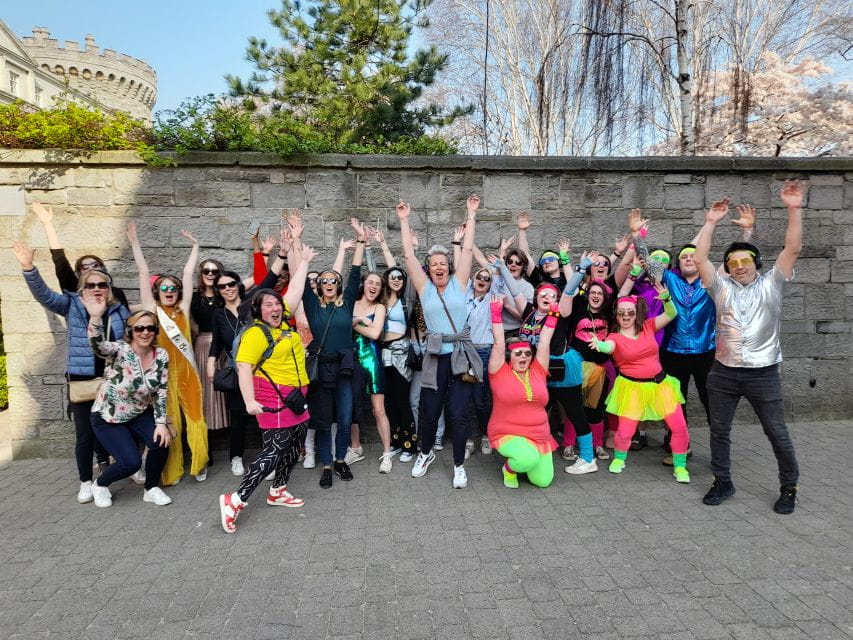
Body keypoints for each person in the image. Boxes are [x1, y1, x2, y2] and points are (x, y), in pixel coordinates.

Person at [693, 182, 804, 514]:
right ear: (727, 268)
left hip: (763, 374)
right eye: (733, 262)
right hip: (723, 373)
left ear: (756, 263)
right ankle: (722, 481)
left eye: (745, 260)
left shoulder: (773, 283)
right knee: (719, 431)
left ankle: (789, 487)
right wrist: (710, 222)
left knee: (776, 432)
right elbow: (700, 258)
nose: (739, 265)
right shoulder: (720, 287)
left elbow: (793, 249)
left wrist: (794, 209)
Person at [13, 241, 130, 504]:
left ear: (109, 287)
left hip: (113, 378)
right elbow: (44, 296)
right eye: (91, 285)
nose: (97, 289)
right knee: (85, 434)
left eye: (102, 284)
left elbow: (129, 338)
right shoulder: (72, 305)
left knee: (117, 426)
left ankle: (120, 470)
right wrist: (29, 268)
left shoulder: (118, 308)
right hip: (82, 378)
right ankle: (85, 481)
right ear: (82, 288)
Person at [218, 243, 316, 534]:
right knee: (273, 451)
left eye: (277, 304)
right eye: (268, 305)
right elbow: (243, 368)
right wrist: (249, 401)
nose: (275, 307)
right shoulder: (256, 333)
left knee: (294, 445)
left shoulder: (281, 324)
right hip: (272, 397)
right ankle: (235, 500)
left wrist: (304, 262)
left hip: (296, 395)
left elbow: (295, 290)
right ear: (258, 310)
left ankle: (278, 490)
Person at [396, 196, 483, 489]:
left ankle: (459, 465)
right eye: (433, 264)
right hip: (435, 356)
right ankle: (425, 453)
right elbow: (408, 256)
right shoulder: (425, 289)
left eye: (443, 263)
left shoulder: (460, 283)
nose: (438, 267)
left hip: (460, 355)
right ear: (429, 269)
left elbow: (467, 250)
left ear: (449, 266)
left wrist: (471, 214)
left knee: (458, 414)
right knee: (429, 411)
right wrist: (404, 220)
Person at [127, 222, 209, 485]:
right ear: (157, 292)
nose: (170, 291)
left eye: (174, 288)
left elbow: (187, 272)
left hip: (187, 373)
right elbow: (143, 272)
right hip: (162, 377)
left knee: (196, 418)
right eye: (165, 288)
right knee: (170, 421)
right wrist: (134, 243)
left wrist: (195, 246)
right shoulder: (152, 310)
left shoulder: (183, 308)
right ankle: (172, 471)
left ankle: (199, 463)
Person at [589, 286, 691, 482]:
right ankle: (619, 458)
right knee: (625, 432)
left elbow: (671, 314)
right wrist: (599, 345)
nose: (626, 316)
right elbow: (608, 347)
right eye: (621, 313)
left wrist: (667, 299)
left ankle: (680, 467)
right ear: (616, 315)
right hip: (632, 388)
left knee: (679, 427)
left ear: (636, 313)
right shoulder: (614, 337)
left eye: (630, 312)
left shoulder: (648, 326)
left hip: (661, 386)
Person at [83, 306, 173, 507]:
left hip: (138, 411)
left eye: (150, 328)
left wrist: (161, 424)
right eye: (139, 328)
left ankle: (151, 488)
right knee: (131, 462)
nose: (145, 332)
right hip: (108, 415)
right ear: (130, 330)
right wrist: (95, 317)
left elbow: (161, 391)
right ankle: (100, 484)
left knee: (161, 441)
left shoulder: (161, 355)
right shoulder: (120, 350)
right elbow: (98, 347)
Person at [299, 218, 365, 488]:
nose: (328, 282)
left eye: (333, 280)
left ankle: (340, 460)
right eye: (324, 280)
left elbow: (356, 273)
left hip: (345, 368)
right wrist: (297, 244)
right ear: (319, 286)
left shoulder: (346, 303)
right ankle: (326, 464)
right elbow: (300, 279)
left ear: (338, 285)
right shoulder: (313, 306)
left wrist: (360, 240)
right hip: (322, 370)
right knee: (324, 420)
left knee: (346, 418)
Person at [487, 296, 559, 489]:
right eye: (518, 353)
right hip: (508, 432)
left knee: (543, 482)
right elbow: (498, 343)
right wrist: (495, 313)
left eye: (527, 353)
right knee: (527, 459)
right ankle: (510, 469)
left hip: (539, 434)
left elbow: (544, 342)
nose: (524, 356)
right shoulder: (499, 372)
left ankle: (527, 459)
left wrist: (553, 315)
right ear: (509, 357)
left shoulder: (538, 370)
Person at [31, 201, 130, 307]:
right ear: (79, 273)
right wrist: (48, 224)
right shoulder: (73, 289)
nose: (91, 269)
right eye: (85, 267)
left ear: (103, 268)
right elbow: (59, 258)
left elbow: (126, 313)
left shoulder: (116, 293)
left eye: (95, 265)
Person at [207, 270, 254, 476]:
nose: (228, 289)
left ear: (238, 285)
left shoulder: (251, 306)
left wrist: (274, 255)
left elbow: (267, 277)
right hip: (236, 369)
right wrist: (211, 362)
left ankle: (270, 454)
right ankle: (236, 457)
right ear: (218, 290)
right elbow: (217, 342)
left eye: (231, 284)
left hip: (259, 368)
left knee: (264, 411)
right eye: (222, 286)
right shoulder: (219, 313)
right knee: (237, 415)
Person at [352, 270, 394, 473]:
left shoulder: (379, 307)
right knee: (352, 406)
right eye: (371, 282)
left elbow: (375, 333)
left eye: (378, 284)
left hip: (371, 360)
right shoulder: (351, 303)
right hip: (351, 360)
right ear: (364, 284)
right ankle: (355, 447)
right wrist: (361, 319)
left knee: (378, 410)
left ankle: (387, 453)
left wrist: (353, 324)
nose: (374, 286)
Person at [191, 259, 229, 436]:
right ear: (201, 274)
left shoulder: (226, 294)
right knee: (206, 386)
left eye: (214, 271)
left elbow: (257, 279)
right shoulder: (194, 298)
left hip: (223, 345)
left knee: (225, 383)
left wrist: (263, 253)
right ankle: (206, 430)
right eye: (206, 271)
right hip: (203, 345)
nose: (210, 274)